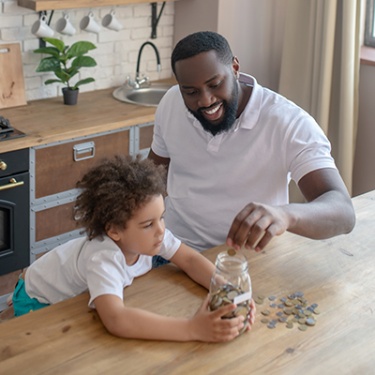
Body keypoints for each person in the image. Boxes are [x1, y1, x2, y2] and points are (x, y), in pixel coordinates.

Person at [148, 31, 356, 253]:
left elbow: (343, 211)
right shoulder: (171, 102)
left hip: (247, 259)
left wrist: (285, 215)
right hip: (173, 251)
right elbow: (151, 177)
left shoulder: (288, 123)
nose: (205, 100)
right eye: (190, 91)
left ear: (235, 68)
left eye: (215, 84)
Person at [11, 155, 255, 342]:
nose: (161, 230)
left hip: (69, 282)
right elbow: (116, 319)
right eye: (148, 224)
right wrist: (192, 329)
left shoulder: (155, 235)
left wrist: (228, 291)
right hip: (38, 298)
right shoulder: (103, 258)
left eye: (162, 217)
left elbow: (189, 261)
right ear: (114, 230)